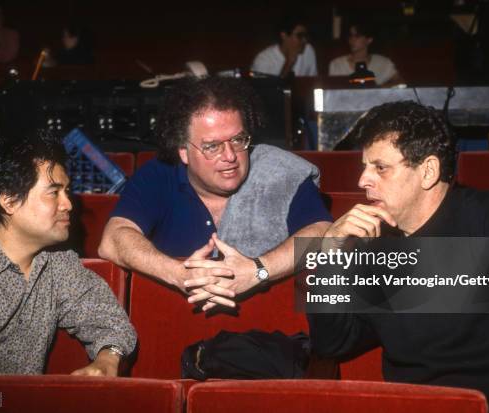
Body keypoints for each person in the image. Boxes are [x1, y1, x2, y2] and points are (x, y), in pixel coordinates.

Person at [308, 101, 489, 413]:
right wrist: (328, 256)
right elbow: (333, 343)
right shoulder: (371, 244)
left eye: (380, 168)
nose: (362, 181)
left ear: (428, 171)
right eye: (365, 167)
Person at [98, 76, 331, 310]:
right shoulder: (158, 175)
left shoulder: (283, 172)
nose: (230, 156)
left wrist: (259, 270)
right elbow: (113, 240)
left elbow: (323, 233)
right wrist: (179, 274)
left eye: (238, 140)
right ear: (184, 152)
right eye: (212, 146)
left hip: (276, 333)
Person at [0, 137, 136, 377]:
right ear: (8, 201)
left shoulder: (58, 264)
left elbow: (110, 321)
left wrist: (107, 358)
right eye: (53, 193)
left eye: (67, 191)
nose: (68, 204)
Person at [328, 20, 402, 86]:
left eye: (357, 36)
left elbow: (400, 82)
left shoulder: (383, 62)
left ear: (369, 40)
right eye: (350, 36)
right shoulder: (337, 64)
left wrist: (380, 89)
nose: (352, 40)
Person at [251, 15, 317, 78]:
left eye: (305, 35)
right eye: (300, 36)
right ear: (284, 36)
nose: (304, 40)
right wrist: (288, 64)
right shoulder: (263, 60)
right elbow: (270, 89)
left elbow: (312, 82)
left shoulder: (308, 51)